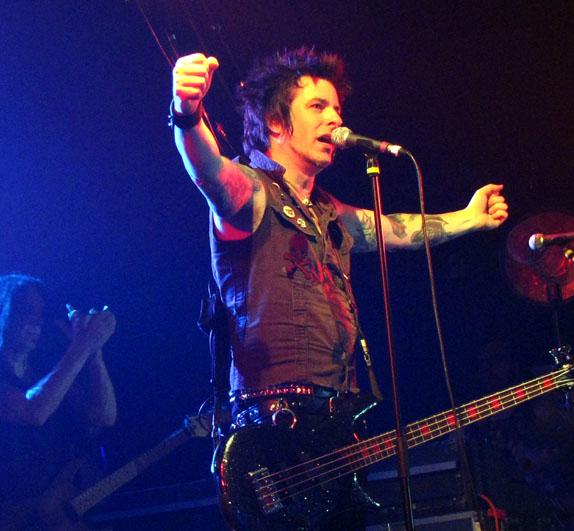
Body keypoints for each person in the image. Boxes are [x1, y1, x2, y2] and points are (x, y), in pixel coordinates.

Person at [170, 47, 508, 529]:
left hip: (339, 429)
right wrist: (186, 113)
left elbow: (395, 229)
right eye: (317, 106)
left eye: (337, 108)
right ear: (276, 122)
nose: (335, 118)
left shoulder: (329, 213)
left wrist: (468, 218)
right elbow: (209, 170)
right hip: (277, 439)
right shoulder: (252, 191)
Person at [0, 274, 117, 529]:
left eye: (40, 314)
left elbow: (103, 415)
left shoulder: (46, 375)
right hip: (10, 520)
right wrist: (82, 345)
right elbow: (33, 411)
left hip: (59, 516)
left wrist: (94, 354)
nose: (37, 321)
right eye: (26, 311)